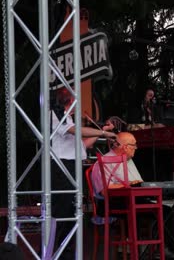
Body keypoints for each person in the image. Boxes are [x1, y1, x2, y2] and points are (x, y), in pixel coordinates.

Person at [50, 87, 116, 259]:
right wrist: (102, 132)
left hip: (73, 166)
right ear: (71, 101)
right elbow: (76, 131)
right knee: (63, 212)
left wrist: (103, 132)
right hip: (62, 167)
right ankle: (60, 254)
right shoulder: (56, 115)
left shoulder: (68, 118)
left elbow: (83, 144)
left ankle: (68, 253)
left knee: (72, 212)